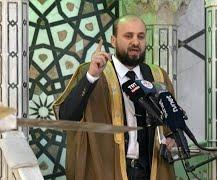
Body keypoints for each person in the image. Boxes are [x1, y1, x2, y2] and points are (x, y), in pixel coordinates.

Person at [53, 15, 176, 180]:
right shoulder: (92, 72)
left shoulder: (157, 76)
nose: (135, 42)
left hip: (151, 169)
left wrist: (170, 137)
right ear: (113, 40)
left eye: (140, 36)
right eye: (128, 36)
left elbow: (171, 123)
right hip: (106, 171)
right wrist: (92, 76)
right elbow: (65, 118)